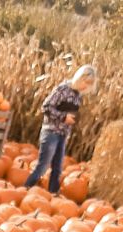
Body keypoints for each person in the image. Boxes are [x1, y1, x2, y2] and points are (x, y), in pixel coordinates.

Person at [24, 65, 97, 194]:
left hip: (63, 134)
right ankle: (26, 189)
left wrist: (72, 120)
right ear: (80, 78)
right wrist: (64, 117)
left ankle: (53, 193)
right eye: (86, 83)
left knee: (57, 167)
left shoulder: (78, 96)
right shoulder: (63, 89)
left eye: (89, 85)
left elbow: (71, 113)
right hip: (51, 131)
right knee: (44, 165)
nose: (86, 87)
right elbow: (46, 107)